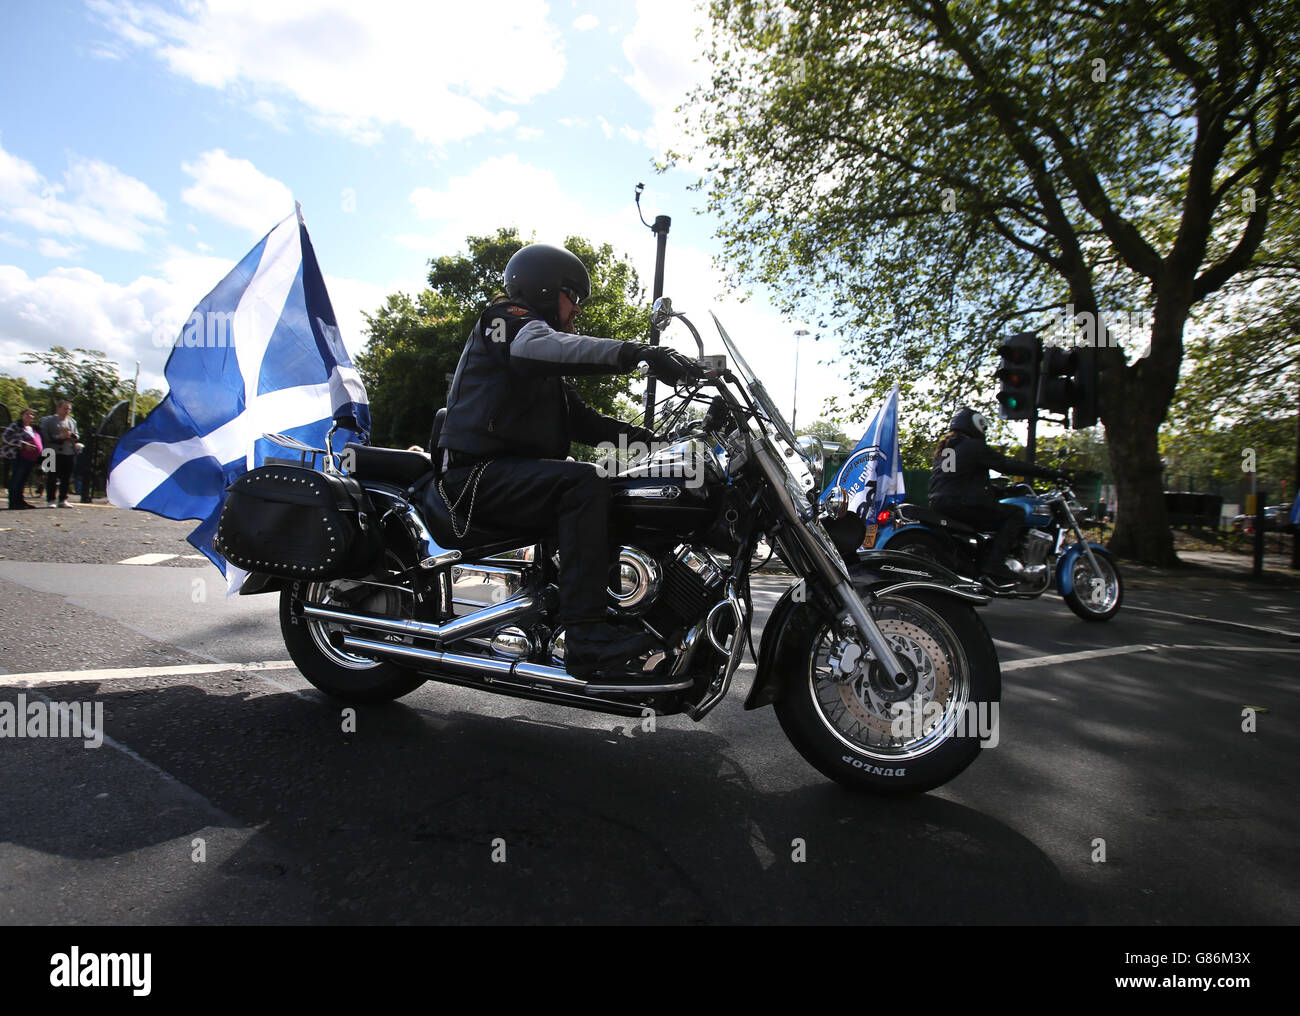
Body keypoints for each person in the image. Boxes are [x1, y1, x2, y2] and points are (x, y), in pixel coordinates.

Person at [437, 243, 700, 678]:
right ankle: (585, 639)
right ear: (544, 288)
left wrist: (649, 442)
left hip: (508, 475)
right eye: (572, 296)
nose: (576, 310)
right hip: (474, 476)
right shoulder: (504, 323)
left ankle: (613, 611)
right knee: (585, 483)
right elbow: (543, 345)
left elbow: (583, 421)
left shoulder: (539, 363)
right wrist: (638, 354)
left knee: (616, 489)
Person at [928, 407, 1067, 584]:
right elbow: (1005, 464)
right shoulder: (973, 446)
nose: (984, 432)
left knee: (998, 512)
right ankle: (995, 565)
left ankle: (983, 560)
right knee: (1015, 513)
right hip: (962, 504)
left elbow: (962, 480)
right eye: (983, 428)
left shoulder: (948, 448)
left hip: (940, 503)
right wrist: (1049, 473)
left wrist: (1001, 491)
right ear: (975, 425)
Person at [39, 400, 79, 507]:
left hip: (68, 452)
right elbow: (45, 437)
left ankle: (63, 499)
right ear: (58, 408)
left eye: (69, 409)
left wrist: (72, 436)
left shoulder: (72, 421)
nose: (67, 411)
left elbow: (77, 434)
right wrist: (59, 437)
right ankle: (50, 499)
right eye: (65, 408)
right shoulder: (48, 421)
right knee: (51, 476)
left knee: (66, 477)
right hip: (51, 452)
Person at [3, 408, 43, 509]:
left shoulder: (34, 428)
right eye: (27, 414)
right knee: (16, 479)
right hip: (18, 456)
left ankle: (20, 501)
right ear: (22, 415)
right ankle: (13, 502)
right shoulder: (16, 425)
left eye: (32, 415)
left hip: (31, 458)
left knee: (23, 480)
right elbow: (5, 437)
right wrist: (22, 444)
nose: (30, 416)